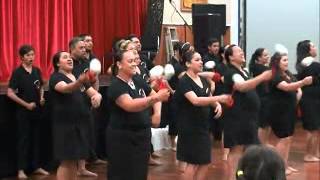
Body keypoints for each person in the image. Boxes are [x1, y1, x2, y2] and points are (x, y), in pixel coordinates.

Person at [106, 50, 170, 180]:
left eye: (135, 61)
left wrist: (157, 113)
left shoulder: (137, 79)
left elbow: (153, 94)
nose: (134, 64)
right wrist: (157, 98)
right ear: (119, 64)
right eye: (130, 61)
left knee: (139, 173)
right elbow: (130, 105)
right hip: (123, 138)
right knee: (123, 174)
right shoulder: (116, 85)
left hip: (142, 136)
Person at [174, 50, 229, 180]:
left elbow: (208, 96)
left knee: (204, 162)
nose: (201, 62)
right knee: (192, 163)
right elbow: (196, 100)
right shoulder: (185, 81)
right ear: (188, 63)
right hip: (189, 127)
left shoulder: (202, 80)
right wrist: (219, 98)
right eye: (197, 60)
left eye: (201, 59)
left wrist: (217, 104)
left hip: (203, 127)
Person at [49, 51, 102, 180]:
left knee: (73, 160)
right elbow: (66, 88)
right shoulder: (56, 77)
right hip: (65, 125)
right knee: (66, 161)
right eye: (65, 57)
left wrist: (97, 98)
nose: (69, 59)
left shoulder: (79, 78)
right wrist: (79, 82)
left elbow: (95, 93)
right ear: (57, 63)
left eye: (70, 57)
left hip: (79, 124)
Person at [223, 45, 272, 180]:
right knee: (236, 150)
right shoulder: (231, 72)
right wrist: (262, 77)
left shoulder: (243, 71)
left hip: (248, 118)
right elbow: (242, 87)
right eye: (238, 51)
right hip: (237, 118)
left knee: (248, 149)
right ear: (231, 57)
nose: (242, 53)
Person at [7, 44, 49, 179]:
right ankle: (21, 170)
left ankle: (36, 166)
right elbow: (10, 93)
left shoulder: (36, 70)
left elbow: (41, 86)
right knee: (23, 141)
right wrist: (26, 105)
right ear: (21, 57)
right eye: (28, 55)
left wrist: (42, 97)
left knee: (36, 139)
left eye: (32, 54)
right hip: (23, 113)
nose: (31, 57)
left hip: (37, 111)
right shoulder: (17, 73)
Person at [268, 52, 312, 175]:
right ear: (277, 62)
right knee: (283, 138)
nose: (287, 62)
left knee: (288, 138)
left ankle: (284, 165)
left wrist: (298, 92)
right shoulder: (275, 76)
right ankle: (276, 167)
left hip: (289, 110)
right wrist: (303, 83)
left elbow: (295, 87)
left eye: (287, 60)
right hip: (279, 111)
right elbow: (287, 87)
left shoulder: (287, 74)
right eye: (284, 60)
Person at [69, 37, 103, 177]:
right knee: (74, 136)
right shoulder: (69, 63)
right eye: (81, 48)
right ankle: (71, 167)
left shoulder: (86, 62)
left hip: (85, 103)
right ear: (72, 49)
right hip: (71, 104)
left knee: (85, 134)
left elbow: (92, 81)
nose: (85, 50)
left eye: (85, 47)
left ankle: (82, 167)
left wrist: (95, 95)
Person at [295, 40, 320, 162]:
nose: (316, 48)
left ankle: (315, 152)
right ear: (308, 50)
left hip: (312, 99)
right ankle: (309, 154)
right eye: (313, 46)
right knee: (312, 128)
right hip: (311, 100)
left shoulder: (301, 65)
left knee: (315, 128)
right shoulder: (311, 65)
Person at [248, 48, 271, 144]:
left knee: (266, 124)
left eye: (267, 54)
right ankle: (259, 146)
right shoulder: (259, 68)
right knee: (263, 124)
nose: (268, 56)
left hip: (266, 98)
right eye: (265, 55)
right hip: (262, 98)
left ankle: (264, 143)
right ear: (258, 58)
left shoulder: (264, 68)